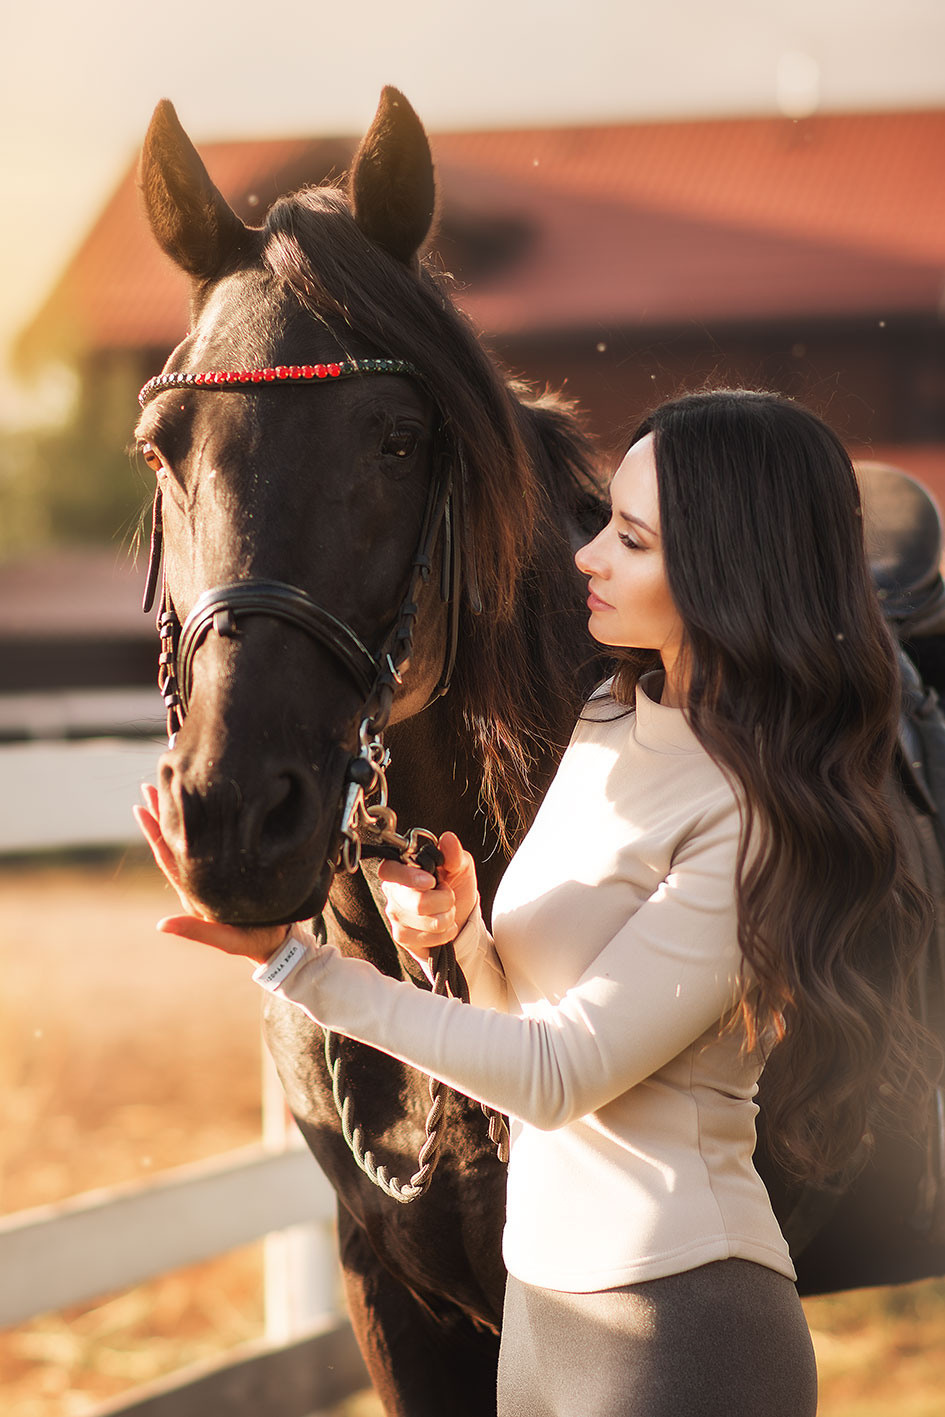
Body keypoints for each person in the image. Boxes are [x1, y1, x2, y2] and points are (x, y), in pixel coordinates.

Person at [136, 389, 934, 1416]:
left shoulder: (751, 811)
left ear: (729, 570)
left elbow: (562, 1075)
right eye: (606, 522)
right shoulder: (611, 718)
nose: (587, 557)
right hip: (546, 1311)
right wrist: (465, 938)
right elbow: (534, 1052)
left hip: (680, 1321)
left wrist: (296, 967)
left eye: (632, 540)